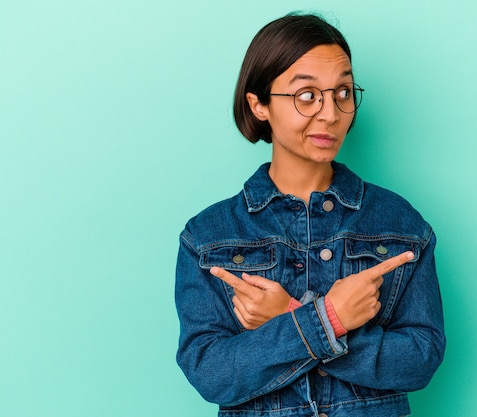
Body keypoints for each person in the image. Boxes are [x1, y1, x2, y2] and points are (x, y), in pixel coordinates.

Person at [175, 12, 445, 417]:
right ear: (259, 104)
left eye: (342, 92)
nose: (331, 114)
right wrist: (330, 319)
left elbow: (420, 359)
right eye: (306, 96)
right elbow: (211, 374)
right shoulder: (209, 236)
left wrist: (289, 319)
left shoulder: (400, 223)